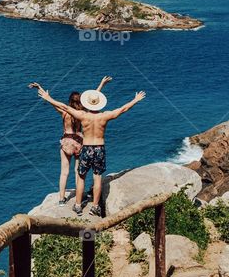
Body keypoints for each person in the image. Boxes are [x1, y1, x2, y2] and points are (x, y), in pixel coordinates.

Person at [36, 86, 146, 216]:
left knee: (81, 177)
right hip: (99, 148)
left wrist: (48, 98)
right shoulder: (105, 116)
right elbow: (122, 109)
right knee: (97, 177)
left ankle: (77, 206)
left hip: (87, 148)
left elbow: (64, 107)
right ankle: (95, 207)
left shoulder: (83, 115)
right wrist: (135, 100)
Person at [29, 76, 112, 204]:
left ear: (69, 101)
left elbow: (54, 102)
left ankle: (62, 199)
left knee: (64, 172)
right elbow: (93, 100)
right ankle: (80, 198)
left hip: (66, 142)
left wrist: (41, 90)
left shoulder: (65, 112)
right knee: (78, 172)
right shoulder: (82, 112)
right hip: (79, 142)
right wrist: (101, 84)